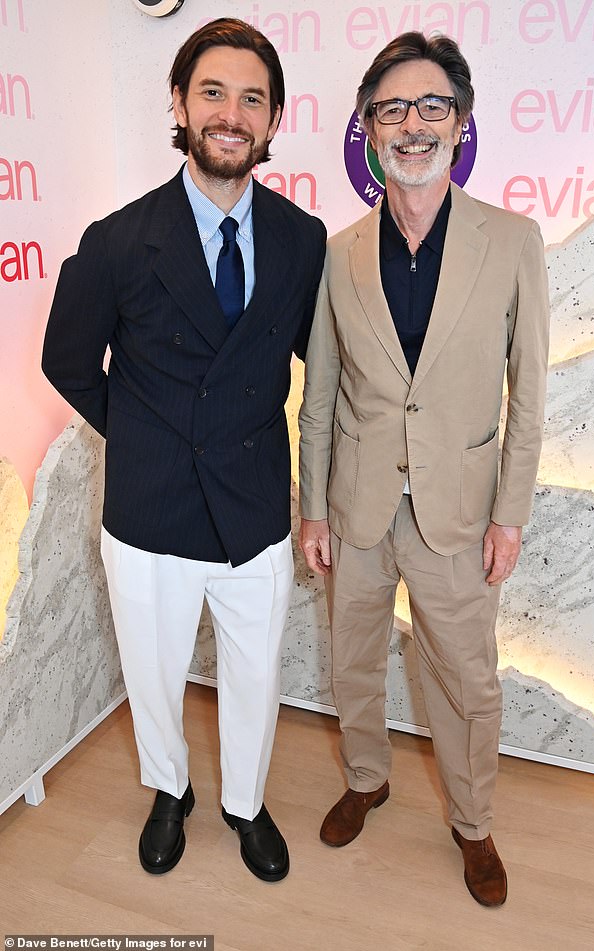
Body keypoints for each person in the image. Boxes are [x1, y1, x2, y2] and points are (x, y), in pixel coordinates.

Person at [42, 18, 326, 882]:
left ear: (274, 120)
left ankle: (245, 799)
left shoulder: (301, 237)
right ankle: (170, 791)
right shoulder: (119, 238)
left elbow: (326, 357)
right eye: (213, 92)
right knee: (154, 673)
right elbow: (65, 361)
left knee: (252, 676)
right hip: (148, 506)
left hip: (251, 505)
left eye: (252, 98)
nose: (231, 114)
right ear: (178, 103)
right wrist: (141, 435)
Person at [298, 31, 549, 907]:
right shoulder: (338, 252)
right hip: (357, 504)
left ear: (461, 121)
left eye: (431, 105)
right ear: (368, 129)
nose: (413, 124)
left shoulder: (513, 241)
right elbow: (322, 389)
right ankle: (366, 775)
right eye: (392, 109)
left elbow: (530, 392)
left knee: (466, 677)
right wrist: (314, 508)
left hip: (460, 512)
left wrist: (509, 512)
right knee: (353, 658)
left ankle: (472, 822)